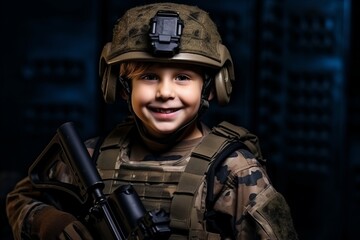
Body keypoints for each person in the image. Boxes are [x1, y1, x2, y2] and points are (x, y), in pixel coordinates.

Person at [6, 2, 298, 240]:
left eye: (182, 77)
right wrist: (50, 223)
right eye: (148, 77)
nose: (165, 92)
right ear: (121, 86)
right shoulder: (90, 159)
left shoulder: (234, 171)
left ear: (210, 86)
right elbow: (23, 198)